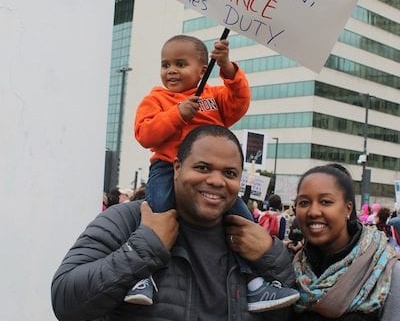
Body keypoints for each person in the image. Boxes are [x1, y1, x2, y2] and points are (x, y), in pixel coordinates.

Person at [51, 125, 298, 320]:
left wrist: (271, 256)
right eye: (202, 167)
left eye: (229, 173)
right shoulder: (130, 220)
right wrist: (145, 247)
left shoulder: (254, 240)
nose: (216, 180)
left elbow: (286, 312)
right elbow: (65, 301)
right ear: (177, 168)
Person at [131, 34, 293, 308]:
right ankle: (142, 276)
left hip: (211, 177)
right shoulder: (157, 98)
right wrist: (177, 114)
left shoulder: (213, 96)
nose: (170, 71)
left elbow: (239, 101)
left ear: (203, 70)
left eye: (180, 64)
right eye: (165, 64)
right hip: (166, 168)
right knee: (158, 216)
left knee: (243, 223)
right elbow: (144, 134)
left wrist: (228, 68)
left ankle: (254, 283)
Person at [291, 163, 399, 320]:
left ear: (348, 209)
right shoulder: (291, 269)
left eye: (325, 202)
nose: (313, 212)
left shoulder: (387, 272)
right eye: (304, 202)